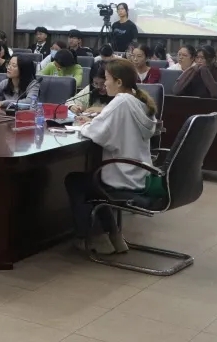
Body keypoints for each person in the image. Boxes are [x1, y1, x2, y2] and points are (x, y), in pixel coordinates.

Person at [64, 58, 156, 254]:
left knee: (76, 181)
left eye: (106, 79)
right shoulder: (137, 101)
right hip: (140, 174)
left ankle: (86, 238)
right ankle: (114, 236)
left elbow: (97, 132)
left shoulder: (121, 101)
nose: (104, 83)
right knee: (95, 184)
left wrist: (84, 124)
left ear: (119, 82)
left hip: (123, 177)